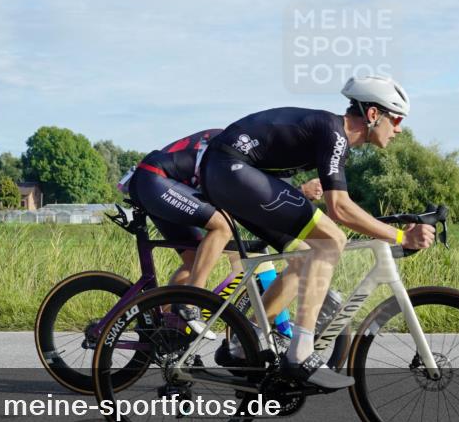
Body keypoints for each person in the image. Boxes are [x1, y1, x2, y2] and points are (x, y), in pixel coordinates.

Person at [201, 76, 435, 389]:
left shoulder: (335, 139)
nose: (399, 129)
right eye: (396, 119)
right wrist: (400, 237)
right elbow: (339, 208)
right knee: (331, 241)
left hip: (228, 171)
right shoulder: (334, 133)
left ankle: (245, 344)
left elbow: (338, 204)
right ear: (373, 115)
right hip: (230, 167)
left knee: (304, 258)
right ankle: (300, 353)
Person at [128, 129, 322, 336]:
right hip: (155, 178)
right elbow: (261, 195)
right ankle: (192, 303)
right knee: (222, 226)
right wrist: (301, 192)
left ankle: (168, 329)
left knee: (194, 261)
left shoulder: (250, 146)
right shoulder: (245, 150)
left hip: (156, 182)